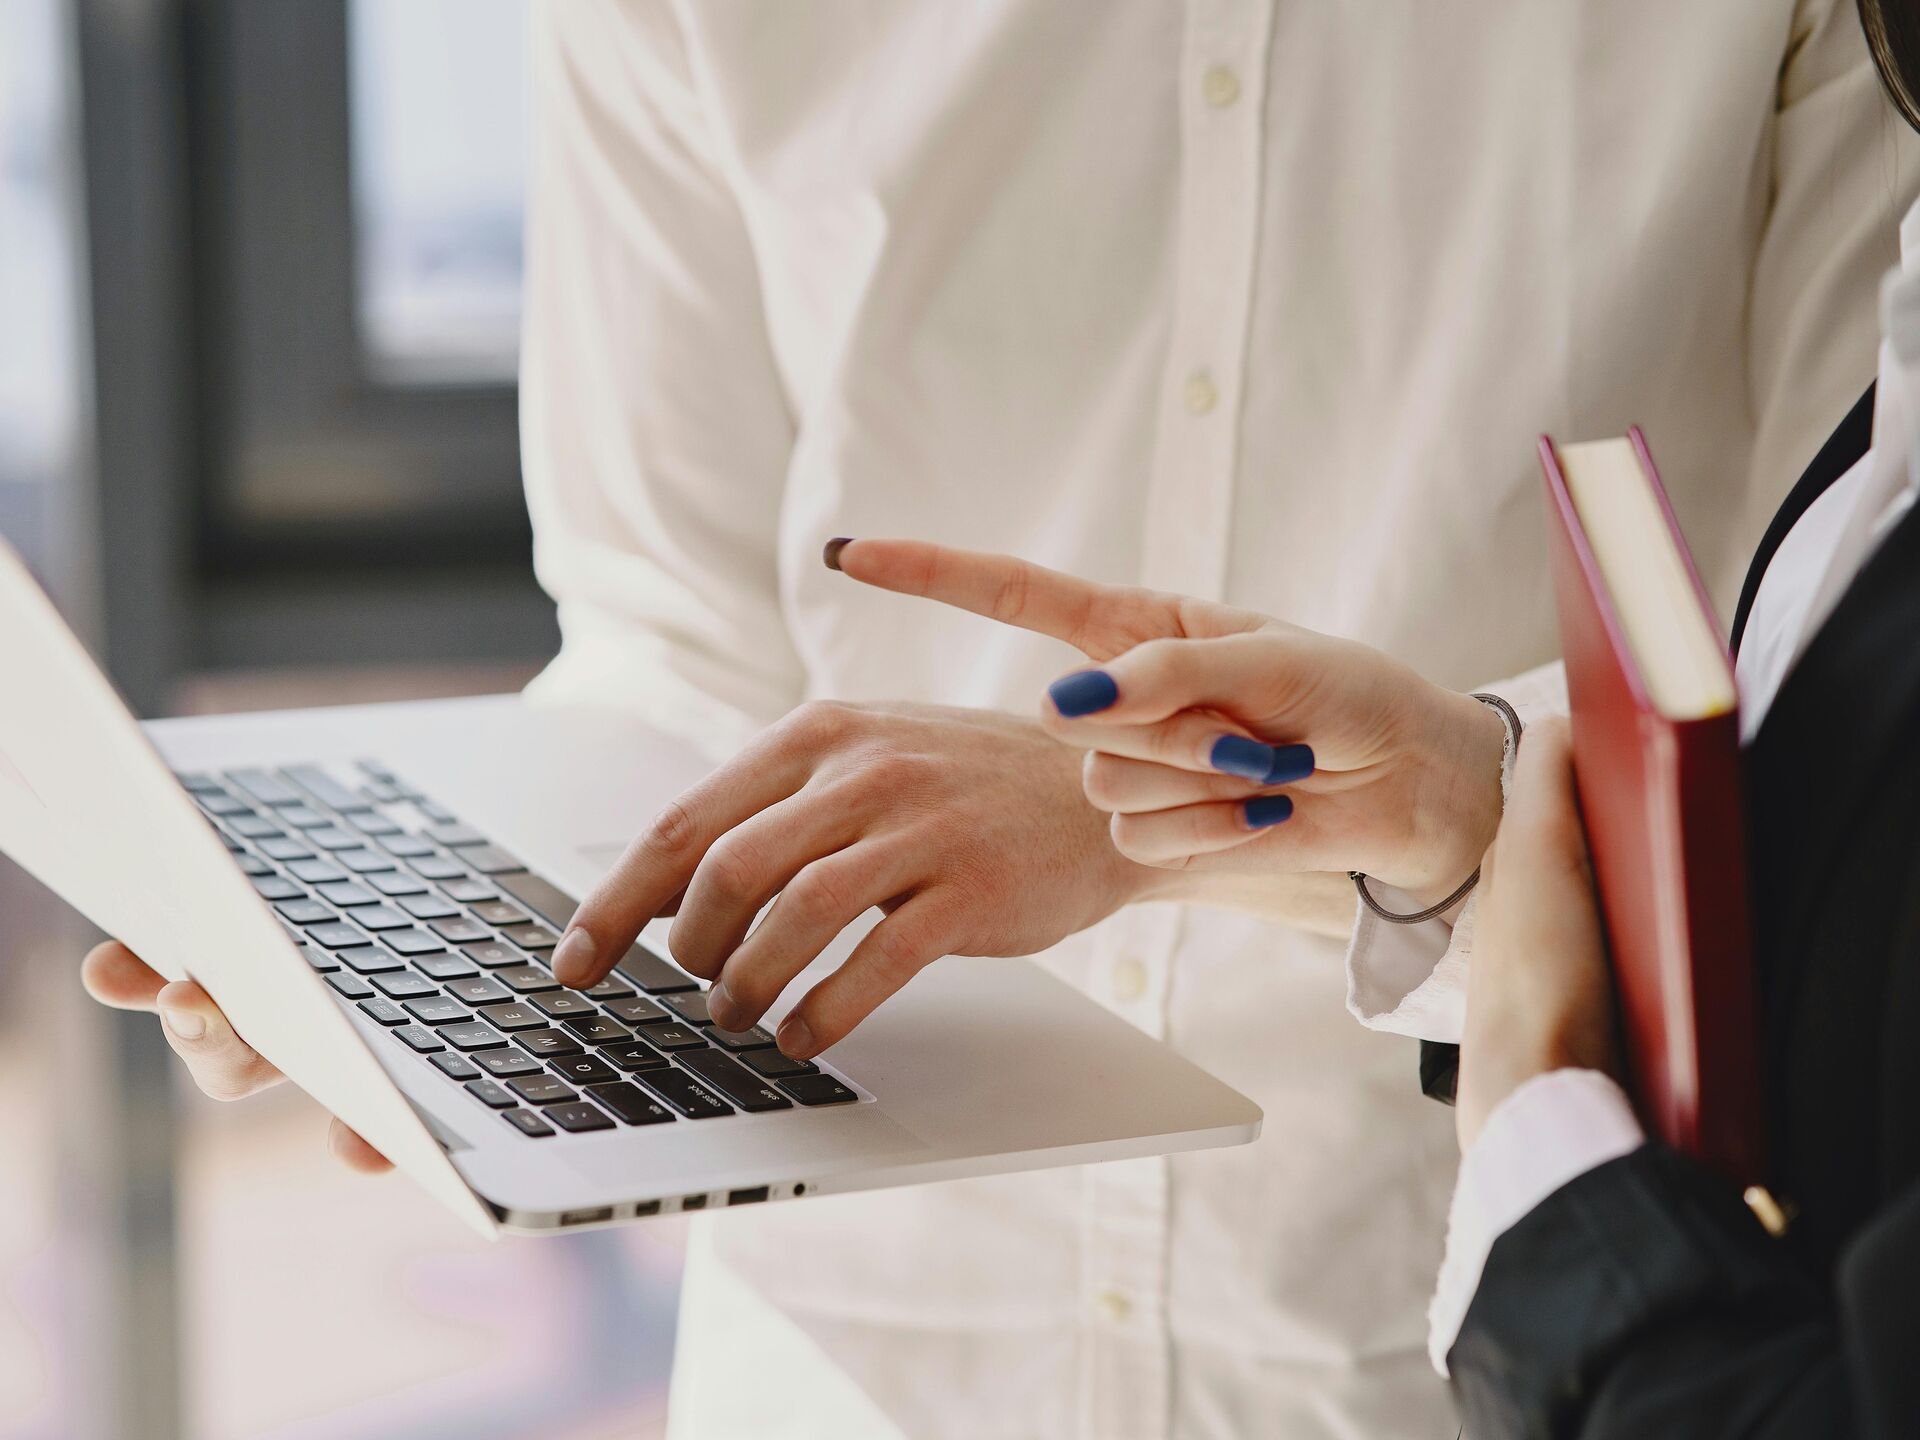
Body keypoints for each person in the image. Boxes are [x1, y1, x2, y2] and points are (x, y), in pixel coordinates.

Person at [80, 4, 1920, 1436]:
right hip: (851, 1347)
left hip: (1446, 1320)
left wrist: (1117, 808)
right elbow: (668, 630)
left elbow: (1840, 703)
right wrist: (457, 970)